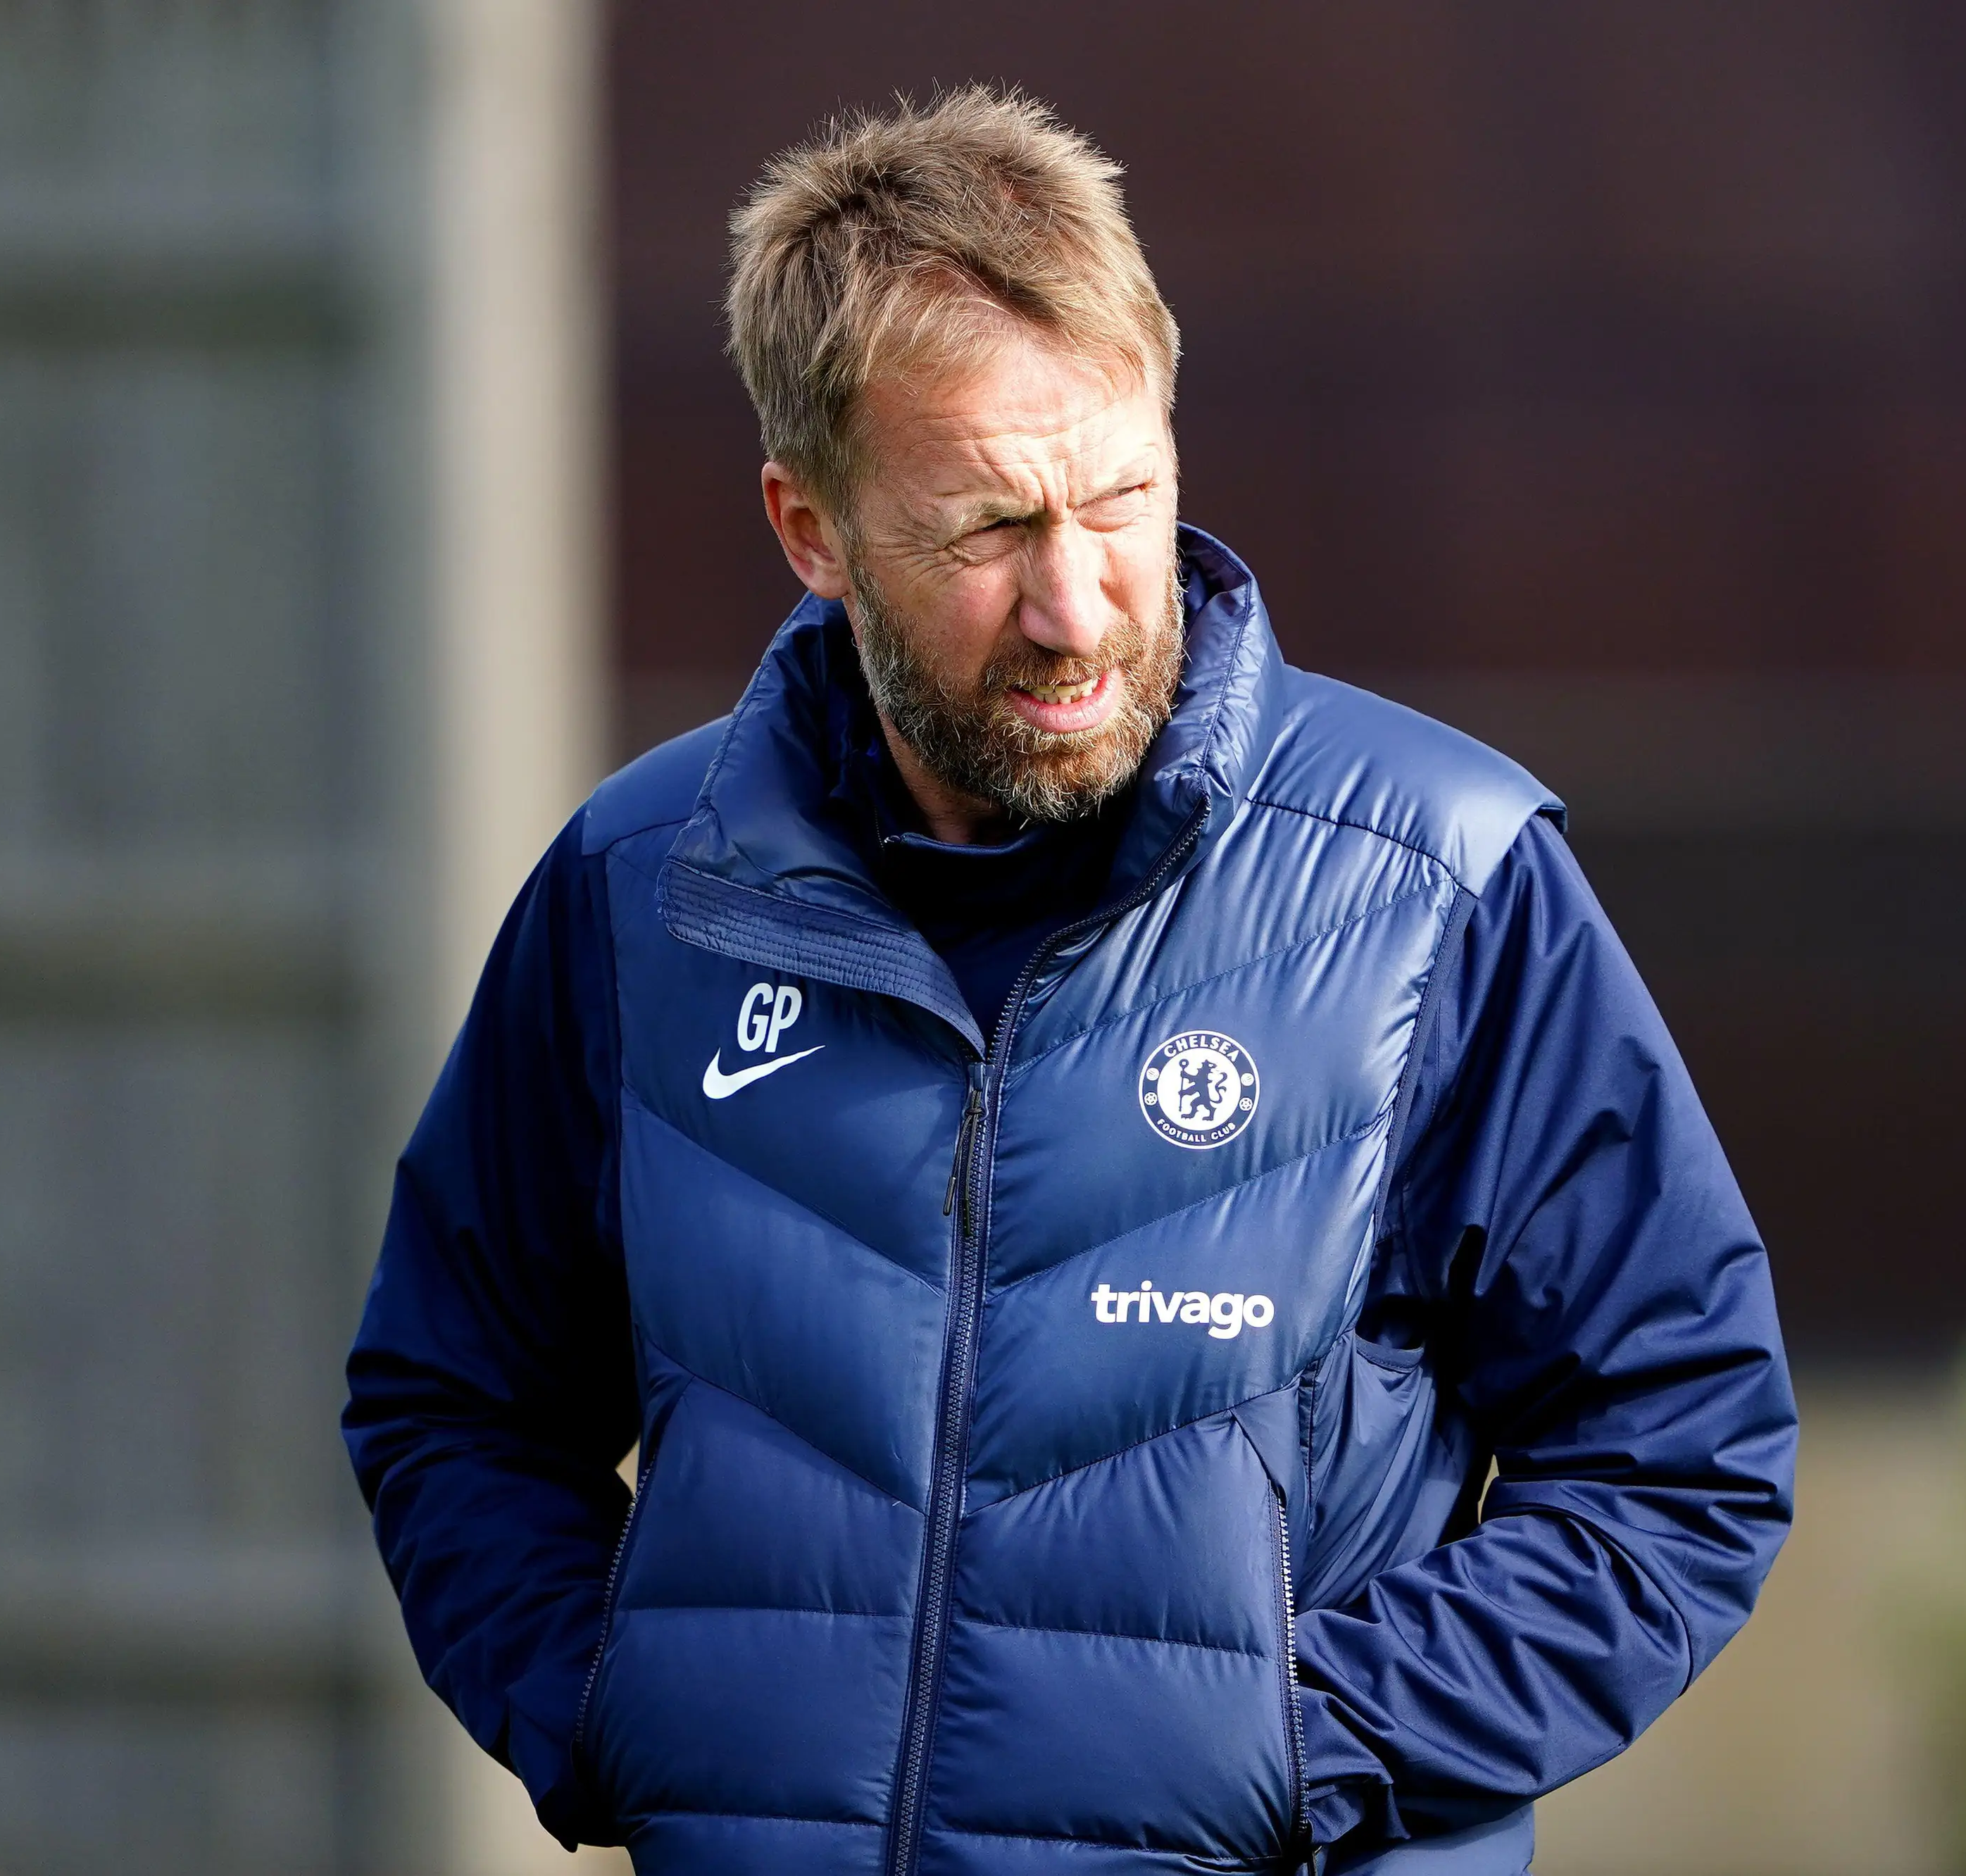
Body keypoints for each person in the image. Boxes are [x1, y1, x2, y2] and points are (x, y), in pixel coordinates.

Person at [344, 87, 1796, 1876]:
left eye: (1122, 499)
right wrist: (622, 1712)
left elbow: (1685, 1449)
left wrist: (1292, 1743)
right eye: (986, 531)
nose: (1078, 607)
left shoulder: (1442, 884)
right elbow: (454, 1402)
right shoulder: (638, 897)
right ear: (811, 527)